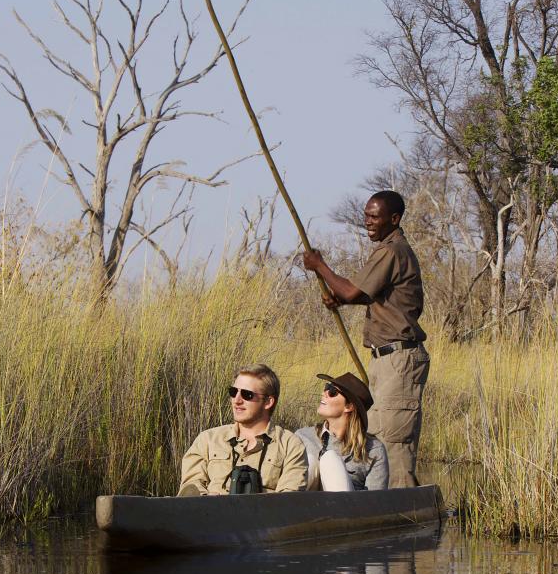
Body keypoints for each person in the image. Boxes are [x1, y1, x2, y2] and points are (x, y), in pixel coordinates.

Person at [302, 190, 429, 488]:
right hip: (387, 360)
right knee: (383, 436)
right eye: (366, 215)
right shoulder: (389, 250)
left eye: (374, 216)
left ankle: (398, 513)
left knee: (391, 441)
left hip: (398, 360)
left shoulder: (392, 251)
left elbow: (353, 291)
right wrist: (342, 300)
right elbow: (370, 297)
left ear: (394, 219)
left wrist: (319, 266)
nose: (367, 222)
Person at [177, 363, 308, 496]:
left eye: (247, 395)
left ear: (268, 402)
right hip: (210, 514)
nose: (237, 400)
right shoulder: (207, 439)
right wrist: (209, 502)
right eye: (233, 392)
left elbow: (288, 500)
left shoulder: (289, 445)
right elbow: (190, 488)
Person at [295, 372, 388, 491]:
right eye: (325, 388)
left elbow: (375, 501)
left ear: (349, 406)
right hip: (305, 506)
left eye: (332, 391)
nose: (324, 394)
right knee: (311, 462)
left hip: (349, 507)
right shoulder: (303, 436)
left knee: (330, 459)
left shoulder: (373, 450)